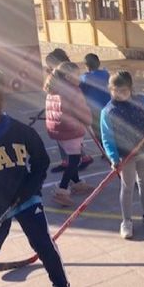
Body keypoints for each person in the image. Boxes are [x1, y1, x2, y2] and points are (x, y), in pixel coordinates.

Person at [0, 68, 78, 287]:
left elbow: (40, 164)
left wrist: (28, 191)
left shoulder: (21, 132)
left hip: (26, 201)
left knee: (44, 246)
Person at [100, 71, 144, 240]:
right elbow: (107, 137)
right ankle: (126, 221)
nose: (120, 95)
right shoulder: (108, 111)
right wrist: (113, 158)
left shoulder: (142, 100)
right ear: (110, 89)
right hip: (124, 156)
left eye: (124, 91)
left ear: (131, 89)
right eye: (116, 91)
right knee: (127, 187)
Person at [44, 62, 94, 206]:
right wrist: (88, 120)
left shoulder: (53, 89)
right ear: (67, 77)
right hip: (70, 129)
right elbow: (80, 109)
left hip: (57, 130)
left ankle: (77, 183)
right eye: (77, 75)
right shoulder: (73, 90)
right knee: (74, 160)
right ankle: (62, 190)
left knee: (72, 156)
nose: (80, 78)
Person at [44, 50, 93, 173]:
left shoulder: (69, 76)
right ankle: (72, 161)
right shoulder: (57, 77)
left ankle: (75, 162)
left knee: (71, 140)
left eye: (51, 64)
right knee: (67, 140)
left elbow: (76, 95)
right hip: (63, 117)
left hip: (70, 115)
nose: (49, 67)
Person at [80, 53, 111, 144]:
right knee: (108, 129)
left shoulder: (84, 78)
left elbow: (81, 92)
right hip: (107, 106)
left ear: (86, 66)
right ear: (99, 63)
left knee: (98, 131)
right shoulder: (105, 74)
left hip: (94, 110)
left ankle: (104, 149)